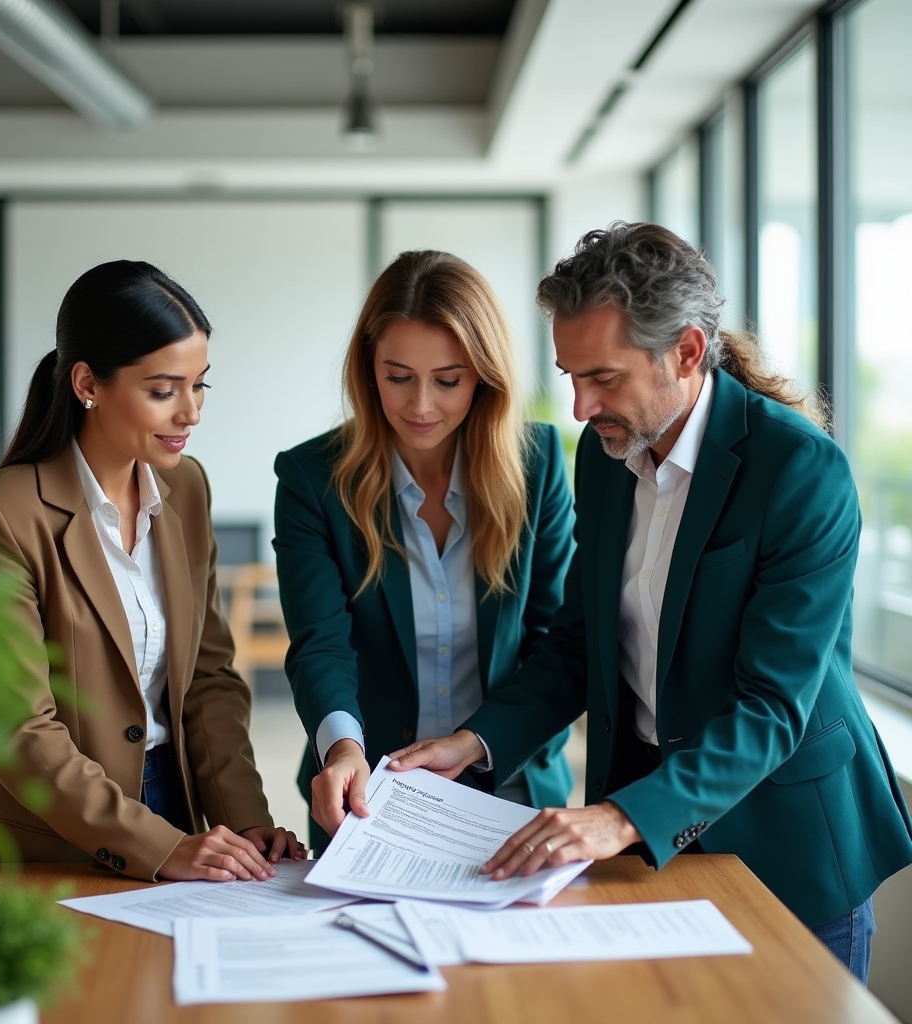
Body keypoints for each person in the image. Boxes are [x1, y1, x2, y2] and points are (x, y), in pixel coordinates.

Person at [388, 223, 912, 982]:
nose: (579, 405)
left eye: (603, 377)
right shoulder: (606, 461)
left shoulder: (800, 471)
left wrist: (621, 817)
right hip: (645, 847)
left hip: (787, 845)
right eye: (570, 375)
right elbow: (579, 642)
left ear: (688, 352)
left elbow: (770, 706)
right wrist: (474, 742)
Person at [0, 260, 305, 883]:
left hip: (182, 809)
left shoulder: (186, 489)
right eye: (164, 390)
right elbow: (22, 730)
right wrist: (159, 847)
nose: (190, 412)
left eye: (201, 386)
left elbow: (209, 677)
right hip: (53, 840)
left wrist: (246, 821)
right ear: (88, 382)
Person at [273, 249, 575, 852]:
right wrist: (342, 747)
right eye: (398, 376)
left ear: (484, 375)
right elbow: (320, 644)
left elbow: (557, 643)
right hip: (369, 795)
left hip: (509, 788)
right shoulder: (313, 477)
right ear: (369, 370)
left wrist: (480, 740)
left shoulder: (537, 463)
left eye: (448, 380)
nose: (420, 407)